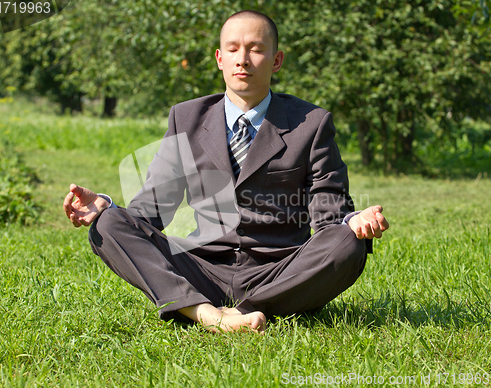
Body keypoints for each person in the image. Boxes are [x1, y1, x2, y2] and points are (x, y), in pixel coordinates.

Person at [63, 10, 389, 334]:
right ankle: (207, 313)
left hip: (278, 272)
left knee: (348, 243)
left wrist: (352, 221)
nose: (242, 59)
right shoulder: (186, 118)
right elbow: (151, 210)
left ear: (276, 60)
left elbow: (328, 210)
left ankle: (244, 307)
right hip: (200, 270)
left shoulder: (312, 123)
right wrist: (107, 207)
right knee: (107, 224)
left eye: (256, 49)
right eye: (232, 49)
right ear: (220, 58)